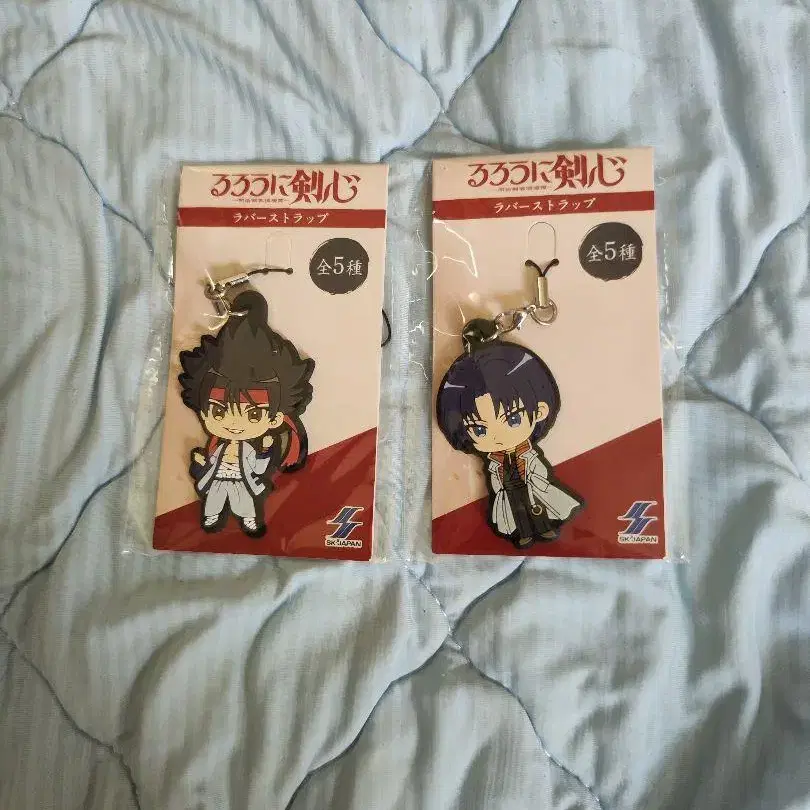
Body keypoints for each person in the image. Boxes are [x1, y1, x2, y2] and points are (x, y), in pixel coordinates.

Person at [178, 290, 314, 538]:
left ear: (275, 418)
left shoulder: (250, 449)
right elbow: (209, 465)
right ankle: (213, 516)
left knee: (245, 503)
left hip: (243, 482)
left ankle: (249, 519)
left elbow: (260, 466)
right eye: (219, 411)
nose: (233, 423)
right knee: (214, 501)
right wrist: (201, 463)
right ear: (204, 413)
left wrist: (268, 451)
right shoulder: (217, 448)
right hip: (218, 480)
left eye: (253, 415)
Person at [436, 341, 583, 549]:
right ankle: (524, 534)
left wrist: (537, 480)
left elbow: (538, 470)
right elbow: (496, 480)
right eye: (480, 430)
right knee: (517, 514)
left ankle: (543, 528)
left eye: (513, 419)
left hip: (531, 484)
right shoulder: (495, 462)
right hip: (509, 490)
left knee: (537, 507)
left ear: (540, 411)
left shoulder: (528, 455)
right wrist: (500, 491)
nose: (498, 437)